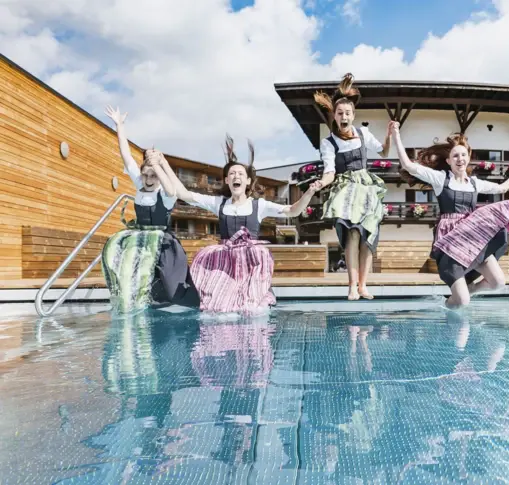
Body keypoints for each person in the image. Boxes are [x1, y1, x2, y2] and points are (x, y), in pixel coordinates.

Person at [158, 136, 317, 313]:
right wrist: (164, 164)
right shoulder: (219, 203)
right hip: (226, 264)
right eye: (232, 173)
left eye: (241, 174)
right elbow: (185, 194)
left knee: (251, 309)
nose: (236, 176)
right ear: (227, 180)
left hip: (251, 263)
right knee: (219, 309)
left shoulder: (259, 205)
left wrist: (309, 193)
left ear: (248, 181)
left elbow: (293, 211)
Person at [392, 122, 509, 308]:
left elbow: (501, 188)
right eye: (455, 155)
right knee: (462, 302)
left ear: (468, 158)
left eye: (463, 155)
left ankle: (469, 289)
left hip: (473, 237)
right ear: (449, 161)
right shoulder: (441, 179)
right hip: (451, 241)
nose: (460, 159)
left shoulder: (474, 183)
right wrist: (396, 135)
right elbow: (408, 165)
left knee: (498, 282)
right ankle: (448, 307)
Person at [102, 106, 199, 312]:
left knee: (169, 285)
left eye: (152, 176)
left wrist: (158, 166)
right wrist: (120, 126)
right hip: (140, 239)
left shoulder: (164, 194)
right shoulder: (140, 186)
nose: (147, 179)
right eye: (145, 175)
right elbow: (126, 157)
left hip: (162, 243)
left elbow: (172, 190)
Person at [310, 73, 392, 300]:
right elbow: (329, 171)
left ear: (353, 115)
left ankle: (364, 285)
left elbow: (384, 152)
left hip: (367, 190)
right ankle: (352, 286)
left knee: (367, 236)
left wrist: (389, 135)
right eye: (339, 113)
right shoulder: (328, 143)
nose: (344, 116)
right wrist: (321, 183)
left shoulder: (363, 133)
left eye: (347, 113)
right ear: (334, 116)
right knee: (352, 235)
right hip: (346, 190)